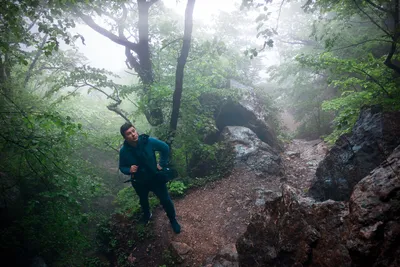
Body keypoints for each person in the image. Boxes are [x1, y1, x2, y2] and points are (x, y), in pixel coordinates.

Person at [118, 122, 181, 234]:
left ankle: (173, 220)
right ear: (125, 137)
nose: (133, 134)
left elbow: (165, 148)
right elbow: (122, 167)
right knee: (143, 200)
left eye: (133, 131)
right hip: (139, 182)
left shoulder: (148, 141)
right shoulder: (124, 151)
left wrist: (162, 164)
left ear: (136, 130)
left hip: (155, 178)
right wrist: (129, 170)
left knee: (166, 200)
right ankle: (147, 215)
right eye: (129, 133)